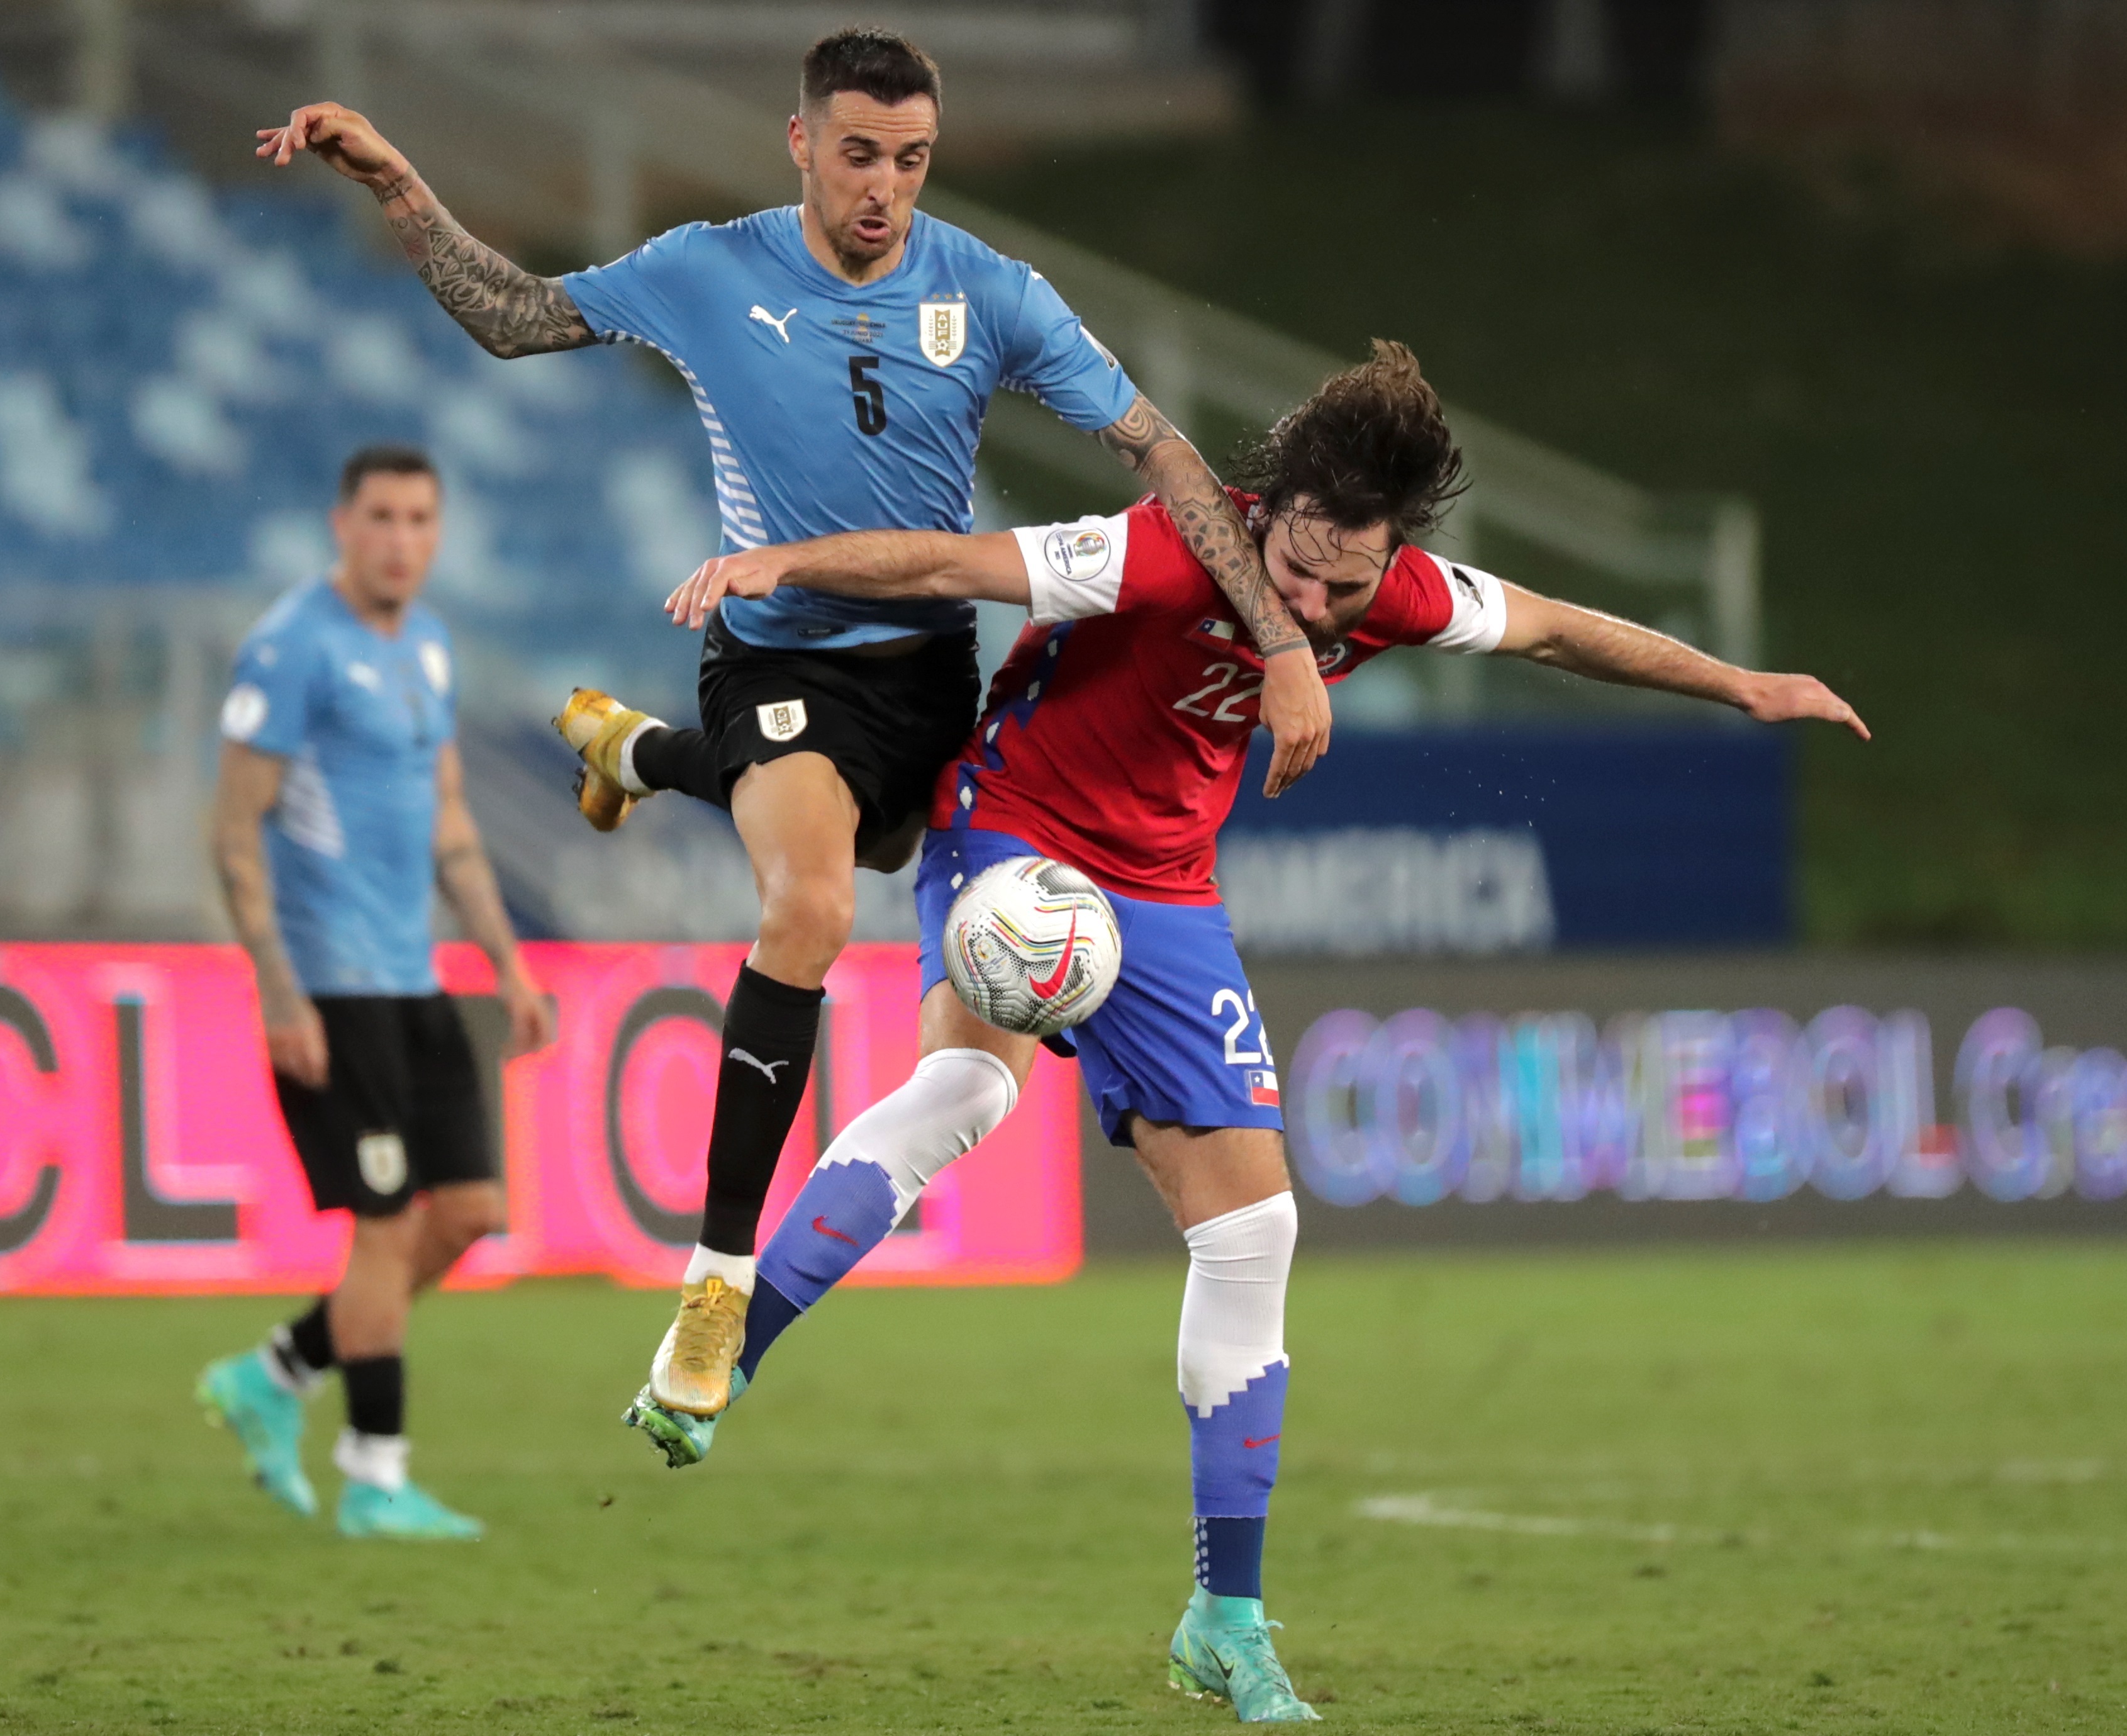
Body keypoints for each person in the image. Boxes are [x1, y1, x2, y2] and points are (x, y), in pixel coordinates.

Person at [637, 343, 1868, 1720]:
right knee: (969, 1096)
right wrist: (777, 563)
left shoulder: (1385, 591)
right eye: (1300, 570)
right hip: (1018, 831)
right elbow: (949, 565)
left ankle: (1223, 1620)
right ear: (1265, 504)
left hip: (1166, 888)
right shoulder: (1154, 552)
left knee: (1254, 1230)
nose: (1320, 604)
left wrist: (1741, 687)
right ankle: (720, 1349)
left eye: (1350, 585)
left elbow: (1560, 628)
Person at [254, 28, 1331, 1421]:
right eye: (862, 153)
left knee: (885, 852)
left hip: (930, 673)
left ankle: (632, 755)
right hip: (775, 658)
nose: (885, 186)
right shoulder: (713, 269)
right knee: (812, 908)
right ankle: (716, 1283)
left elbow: (1162, 450)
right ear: (803, 141)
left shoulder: (990, 292)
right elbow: (519, 316)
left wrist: (1280, 632)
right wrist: (401, 185)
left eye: (913, 161)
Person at [194, 445, 554, 1540]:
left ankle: (277, 1373)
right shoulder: (294, 645)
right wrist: (278, 990)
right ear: (342, 524)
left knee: (470, 1213)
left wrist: (507, 958)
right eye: (383, 518)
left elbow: (449, 822)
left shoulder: (430, 650)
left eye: (421, 520)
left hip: (415, 977)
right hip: (332, 988)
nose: (403, 539)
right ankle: (375, 1476)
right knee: (387, 1229)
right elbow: (233, 829)